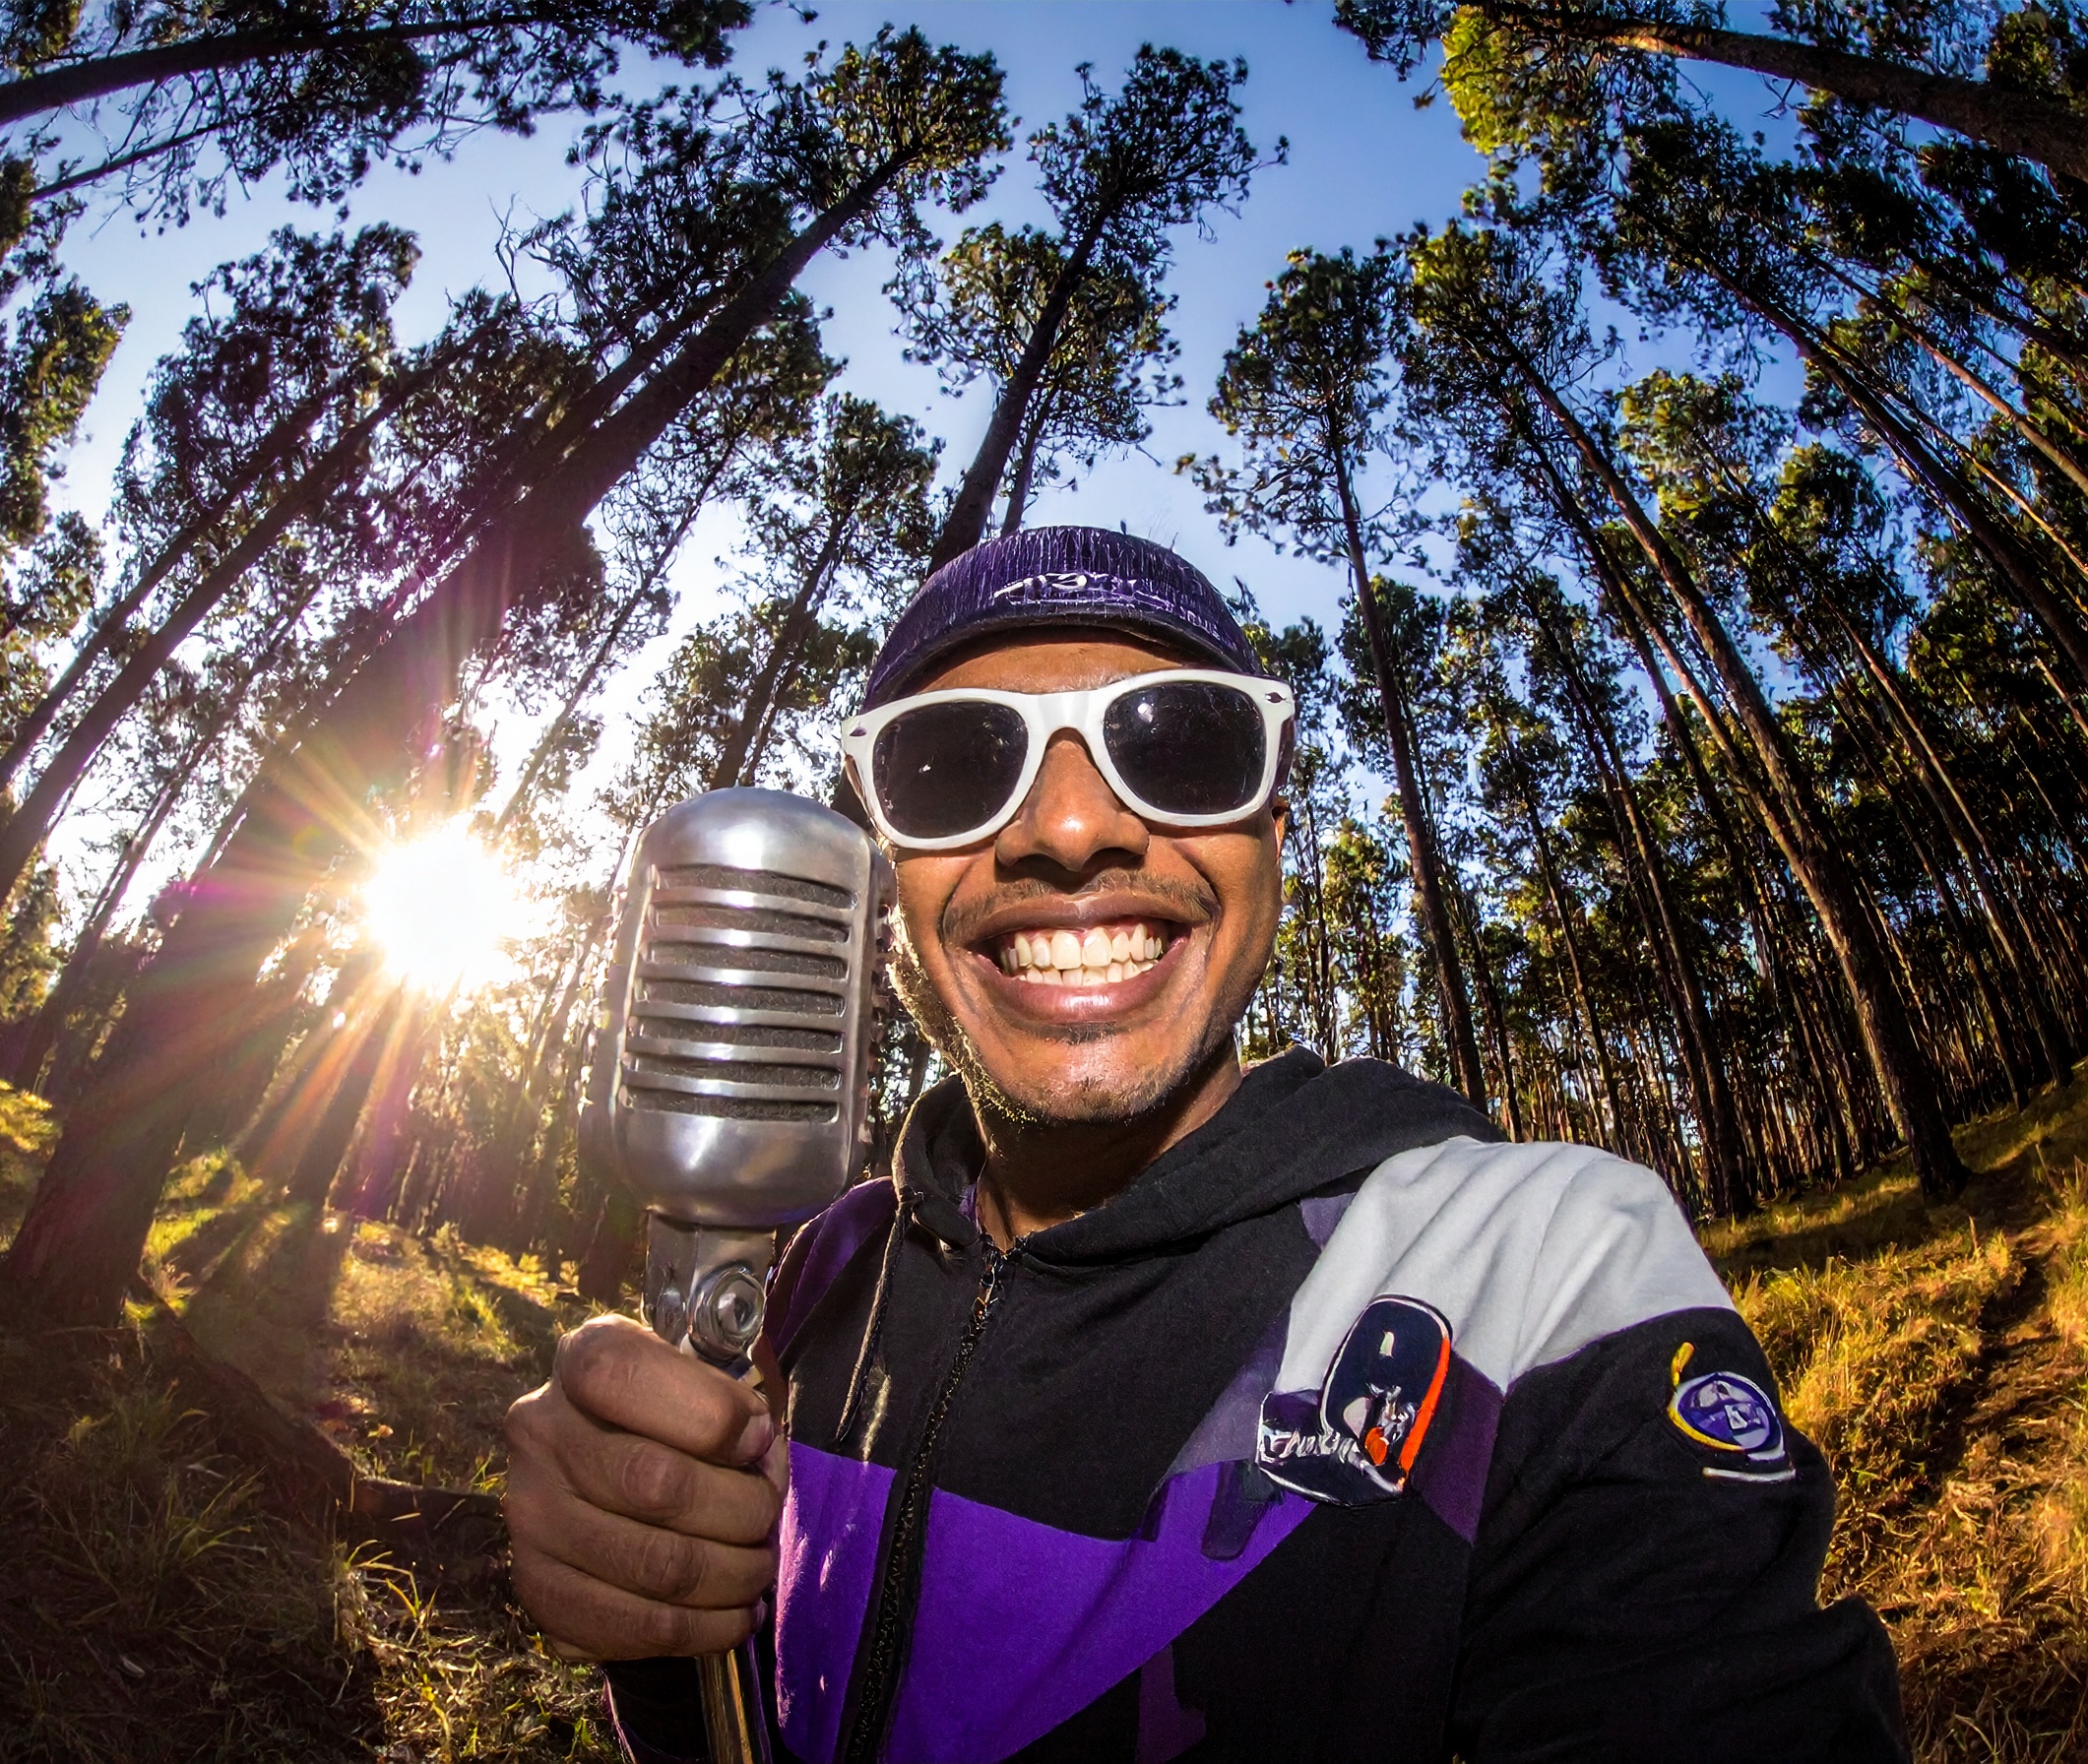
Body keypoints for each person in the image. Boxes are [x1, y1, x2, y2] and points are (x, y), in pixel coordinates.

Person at [503, 527, 1909, 1763]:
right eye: (951, 765)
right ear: (882, 880)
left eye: (1176, 742)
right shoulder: (818, 1276)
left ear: (1274, 838)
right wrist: (652, 1606)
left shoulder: (1535, 1275)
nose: (1068, 827)